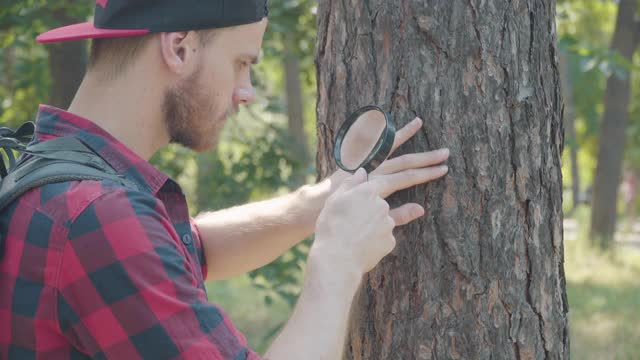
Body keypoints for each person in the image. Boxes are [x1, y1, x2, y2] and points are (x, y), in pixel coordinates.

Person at [0, 1, 450, 359]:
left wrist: (319, 201)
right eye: (240, 62)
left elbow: (187, 246)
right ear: (179, 47)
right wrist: (336, 264)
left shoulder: (46, 169)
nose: (247, 90)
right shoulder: (99, 217)